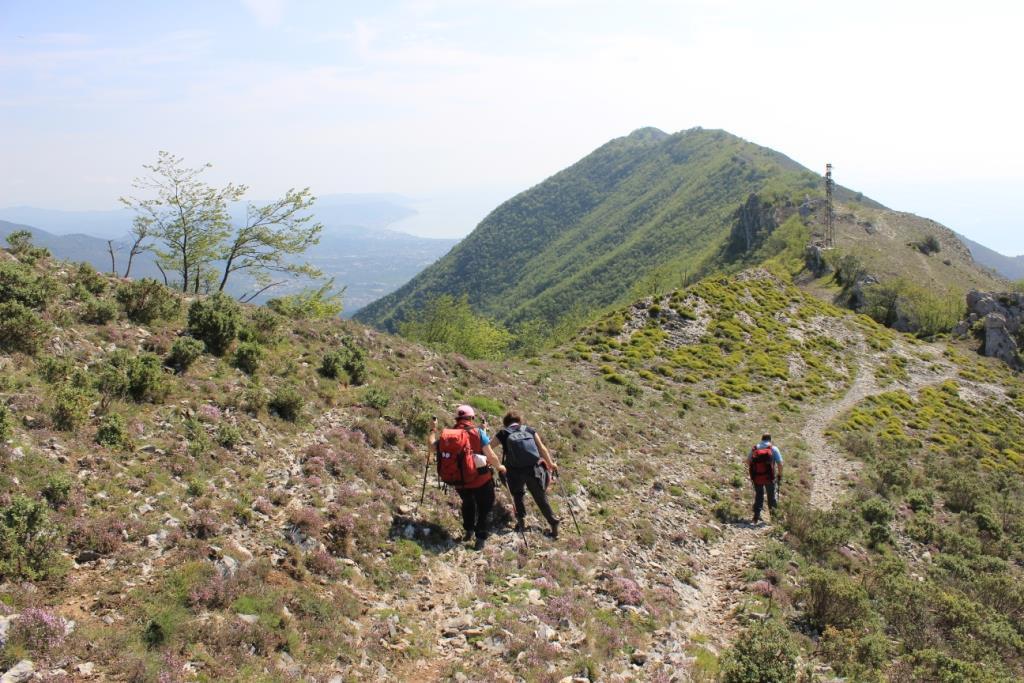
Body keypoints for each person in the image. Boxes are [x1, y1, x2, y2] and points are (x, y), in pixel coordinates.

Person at [428, 405, 506, 550]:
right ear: (471, 418)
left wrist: (433, 429)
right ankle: (480, 538)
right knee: (485, 507)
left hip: (460, 481)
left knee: (468, 502)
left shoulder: (449, 435)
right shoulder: (478, 432)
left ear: (457, 418)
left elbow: (432, 447)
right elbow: (490, 455)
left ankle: (469, 530)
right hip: (481, 480)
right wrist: (500, 467)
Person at [494, 412, 561, 539]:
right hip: (533, 469)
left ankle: (521, 522)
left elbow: (489, 447)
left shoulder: (503, 433)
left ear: (506, 422)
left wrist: (498, 465)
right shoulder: (529, 430)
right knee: (540, 497)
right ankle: (553, 521)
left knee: (518, 495)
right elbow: (542, 448)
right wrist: (551, 464)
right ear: (519, 421)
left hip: (514, 471)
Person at [747, 433, 783, 523]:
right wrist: (780, 474)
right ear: (770, 439)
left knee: (759, 495)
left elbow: (748, 461)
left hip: (757, 477)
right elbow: (780, 463)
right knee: (771, 497)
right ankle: (774, 518)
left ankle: (756, 516)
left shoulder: (755, 448)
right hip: (769, 477)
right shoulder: (773, 448)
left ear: (761, 439)